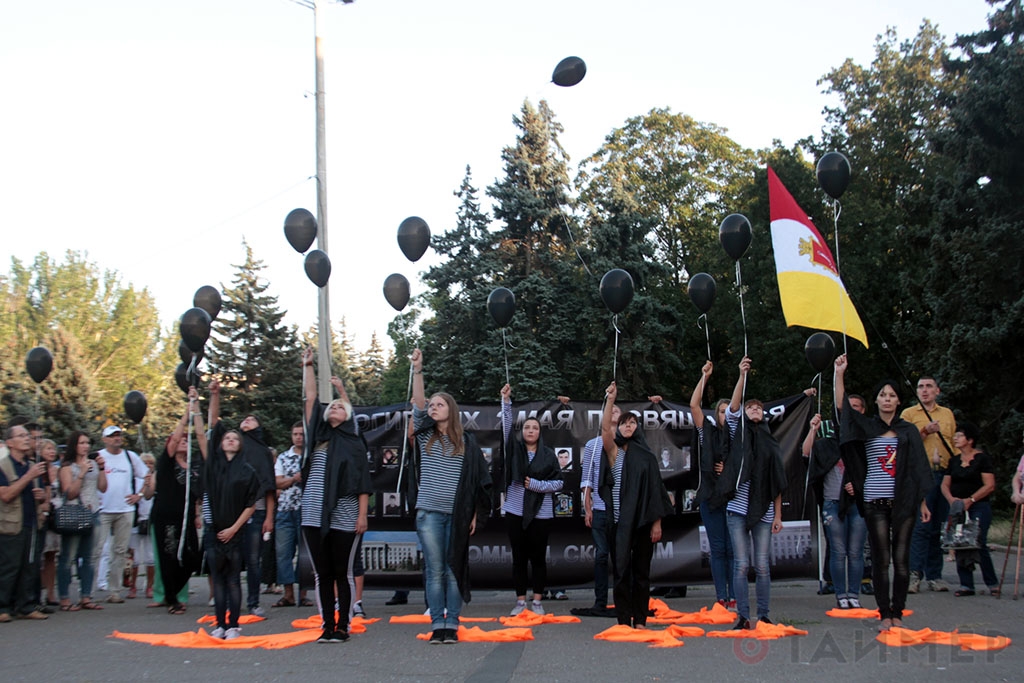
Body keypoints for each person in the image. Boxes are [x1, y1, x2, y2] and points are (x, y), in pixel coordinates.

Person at [835, 353, 933, 631]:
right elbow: (844, 409)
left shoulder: (909, 431)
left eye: (892, 395)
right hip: (874, 501)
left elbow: (918, 468)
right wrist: (839, 373)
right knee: (881, 559)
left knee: (902, 560)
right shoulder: (867, 427)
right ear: (876, 401)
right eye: (882, 395)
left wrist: (923, 502)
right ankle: (884, 613)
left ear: (899, 401)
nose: (887, 398)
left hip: (904, 501)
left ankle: (897, 613)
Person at [406, 348, 492, 644]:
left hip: (457, 515)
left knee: (454, 569)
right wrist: (418, 369)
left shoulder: (467, 442)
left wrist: (474, 514)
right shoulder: (425, 436)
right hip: (428, 513)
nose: (432, 407)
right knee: (435, 570)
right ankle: (436, 623)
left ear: (450, 410)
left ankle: (452, 623)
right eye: (431, 404)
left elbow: (480, 483)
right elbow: (417, 404)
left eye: (439, 404)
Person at [300, 347, 372, 644]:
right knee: (323, 573)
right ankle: (327, 625)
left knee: (341, 572)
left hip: (344, 512)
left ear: (348, 416)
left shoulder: (354, 443)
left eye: (340, 407)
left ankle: (343, 625)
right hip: (312, 513)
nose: (333, 409)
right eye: (332, 407)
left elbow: (363, 482)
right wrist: (308, 365)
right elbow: (312, 399)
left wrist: (362, 514)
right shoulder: (317, 437)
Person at [715, 358, 787, 630]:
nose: (754, 409)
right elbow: (732, 408)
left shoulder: (771, 442)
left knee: (763, 565)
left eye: (758, 407)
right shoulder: (738, 432)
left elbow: (776, 482)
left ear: (764, 414)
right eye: (751, 407)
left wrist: (778, 514)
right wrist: (742, 376)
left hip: (765, 512)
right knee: (741, 565)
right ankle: (743, 616)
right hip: (737, 510)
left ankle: (764, 615)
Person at [600, 381, 672, 629]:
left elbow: (656, 492)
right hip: (620, 523)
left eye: (632, 422)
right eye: (624, 422)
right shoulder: (614, 452)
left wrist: (657, 523)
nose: (628, 425)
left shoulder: (648, 457)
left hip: (643, 523)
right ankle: (623, 620)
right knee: (621, 573)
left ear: (638, 428)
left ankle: (640, 619)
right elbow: (604, 430)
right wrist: (611, 400)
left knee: (642, 574)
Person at [208, 382, 277, 617]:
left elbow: (269, 487)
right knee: (229, 559)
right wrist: (214, 395)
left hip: (256, 513)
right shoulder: (231, 446)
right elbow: (214, 423)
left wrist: (269, 516)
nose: (246, 421)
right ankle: (227, 602)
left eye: (251, 419)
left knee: (253, 560)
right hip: (228, 513)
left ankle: (254, 602)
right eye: (244, 419)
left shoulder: (263, 452)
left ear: (259, 426)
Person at [198, 393, 260, 640]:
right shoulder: (213, 466)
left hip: (235, 532)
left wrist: (234, 528)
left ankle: (234, 625)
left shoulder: (247, 471)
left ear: (241, 444)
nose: (231, 440)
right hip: (214, 531)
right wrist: (213, 395)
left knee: (234, 579)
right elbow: (210, 426)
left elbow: (251, 505)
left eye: (235, 438)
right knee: (219, 581)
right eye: (227, 438)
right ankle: (220, 624)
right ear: (221, 444)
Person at [500, 383, 564, 616]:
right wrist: (506, 402)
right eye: (526, 427)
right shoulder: (514, 449)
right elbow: (506, 428)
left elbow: (559, 483)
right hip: (515, 511)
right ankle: (520, 602)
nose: (530, 430)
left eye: (534, 428)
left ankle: (537, 602)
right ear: (522, 431)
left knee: (538, 558)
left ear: (539, 433)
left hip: (542, 513)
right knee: (519, 558)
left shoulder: (548, 455)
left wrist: (536, 485)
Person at [803, 395, 868, 610]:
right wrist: (813, 429)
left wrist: (857, 485)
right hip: (832, 502)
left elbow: (872, 472)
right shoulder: (826, 444)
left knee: (856, 551)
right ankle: (841, 594)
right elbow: (806, 453)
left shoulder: (862, 444)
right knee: (838, 551)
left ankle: (854, 594)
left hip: (857, 504)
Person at [150, 391, 204, 615]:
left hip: (186, 518)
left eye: (185, 441)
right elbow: (174, 438)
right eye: (180, 440)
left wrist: (198, 513)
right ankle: (172, 600)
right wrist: (187, 414)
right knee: (169, 557)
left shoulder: (192, 468)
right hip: (166, 516)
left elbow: (196, 495)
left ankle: (173, 592)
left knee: (193, 557)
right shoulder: (167, 463)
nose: (183, 442)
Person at [901, 375, 956, 594]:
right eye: (921, 387)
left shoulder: (947, 414)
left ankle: (935, 575)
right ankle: (915, 575)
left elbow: (953, 443)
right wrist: (924, 432)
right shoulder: (909, 414)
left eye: (929, 387)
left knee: (938, 528)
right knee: (920, 527)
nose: (924, 390)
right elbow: (903, 442)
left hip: (944, 474)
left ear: (937, 391)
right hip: (920, 476)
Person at [688, 360, 734, 610]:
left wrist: (730, 470)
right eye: (722, 411)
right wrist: (704, 376)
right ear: (716, 414)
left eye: (729, 411)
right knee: (718, 549)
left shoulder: (739, 437)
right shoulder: (707, 431)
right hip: (710, 497)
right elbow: (694, 405)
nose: (725, 415)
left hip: (734, 498)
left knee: (733, 550)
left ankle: (735, 597)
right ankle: (721, 598)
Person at [940, 421, 998, 596]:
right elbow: (945, 484)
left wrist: (971, 500)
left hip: (978, 505)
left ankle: (991, 582)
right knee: (958, 541)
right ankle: (966, 584)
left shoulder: (982, 459)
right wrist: (952, 500)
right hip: (958, 506)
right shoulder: (954, 460)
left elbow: (989, 485)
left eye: (960, 435)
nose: (955, 438)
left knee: (978, 541)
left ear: (970, 440)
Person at [0, 423, 50, 622]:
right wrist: (28, 478)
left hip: (32, 522)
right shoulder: (3, 466)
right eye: (21, 436)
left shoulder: (31, 466)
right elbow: (6, 495)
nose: (27, 439)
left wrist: (39, 496)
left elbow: (42, 498)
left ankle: (26, 606)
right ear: (10, 442)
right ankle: (3, 607)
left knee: (30, 566)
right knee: (9, 567)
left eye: (27, 436)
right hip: (11, 524)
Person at [91, 425, 147, 603]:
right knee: (96, 550)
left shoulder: (130, 457)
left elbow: (147, 475)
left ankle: (114, 591)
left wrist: (138, 495)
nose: (116, 438)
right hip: (102, 510)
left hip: (125, 509)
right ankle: (88, 592)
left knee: (120, 551)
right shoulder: (98, 457)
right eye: (112, 436)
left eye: (118, 435)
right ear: (104, 439)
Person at [56, 431, 107, 611]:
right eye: (81, 443)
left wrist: (101, 469)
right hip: (74, 514)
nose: (86, 446)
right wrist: (82, 473)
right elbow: (69, 493)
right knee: (68, 557)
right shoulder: (67, 467)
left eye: (87, 443)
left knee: (90, 558)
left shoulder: (92, 463)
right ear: (74, 446)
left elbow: (103, 487)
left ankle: (86, 596)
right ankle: (64, 598)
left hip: (93, 513)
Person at [581, 402, 619, 612]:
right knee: (601, 555)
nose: (613, 411)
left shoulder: (627, 444)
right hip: (601, 510)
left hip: (622, 511)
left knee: (622, 556)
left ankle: (625, 599)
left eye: (617, 410)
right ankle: (600, 601)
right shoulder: (592, 445)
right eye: (610, 410)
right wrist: (588, 508)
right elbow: (586, 480)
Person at [273, 420, 311, 608]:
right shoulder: (283, 457)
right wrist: (294, 479)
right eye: (295, 434)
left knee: (305, 554)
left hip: (306, 510)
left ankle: (303, 594)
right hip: (285, 510)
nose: (298, 437)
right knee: (283, 553)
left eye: (301, 434)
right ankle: (288, 594)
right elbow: (277, 483)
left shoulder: (311, 456)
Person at [127, 453, 156, 600]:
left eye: (151, 464)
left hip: (150, 520)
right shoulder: (133, 480)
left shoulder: (155, 480)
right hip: (136, 520)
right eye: (145, 464)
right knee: (135, 557)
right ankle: (132, 585)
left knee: (150, 556)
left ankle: (150, 586)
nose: (148, 467)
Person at [38, 438, 61, 608]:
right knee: (39, 555)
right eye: (47, 449)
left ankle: (51, 593)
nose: (51, 452)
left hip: (55, 517)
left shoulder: (58, 470)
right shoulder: (37, 470)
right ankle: (38, 593)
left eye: (53, 449)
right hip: (41, 515)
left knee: (51, 555)